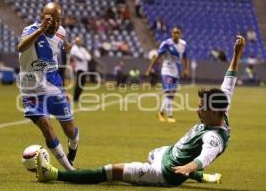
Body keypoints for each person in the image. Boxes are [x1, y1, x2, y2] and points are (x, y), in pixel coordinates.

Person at [34, 36, 246, 187]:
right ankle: (201, 177)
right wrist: (236, 54)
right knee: (151, 153)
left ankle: (53, 174)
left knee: (111, 172)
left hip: (163, 173)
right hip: (165, 152)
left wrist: (191, 168)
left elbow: (205, 156)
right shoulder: (222, 107)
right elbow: (230, 81)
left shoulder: (213, 137)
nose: (197, 110)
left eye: (202, 107)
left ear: (216, 112)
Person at [17, 2, 79, 170]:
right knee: (46, 127)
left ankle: (72, 152)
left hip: (54, 88)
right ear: (42, 17)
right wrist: (41, 29)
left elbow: (63, 47)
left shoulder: (61, 32)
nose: (56, 24)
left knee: (70, 131)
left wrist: (71, 47)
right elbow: (21, 47)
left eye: (59, 20)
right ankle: (69, 170)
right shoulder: (30, 30)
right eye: (52, 20)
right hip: (31, 91)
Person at [146, 27, 189, 123]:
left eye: (178, 33)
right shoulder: (166, 44)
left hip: (176, 72)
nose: (176, 34)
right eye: (174, 32)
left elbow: (185, 58)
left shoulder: (184, 45)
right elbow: (158, 56)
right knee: (169, 92)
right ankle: (169, 116)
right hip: (166, 71)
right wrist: (150, 68)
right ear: (171, 33)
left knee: (171, 95)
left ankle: (160, 113)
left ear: (180, 34)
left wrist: (186, 70)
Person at [70, 37, 92, 103]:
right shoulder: (74, 48)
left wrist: (84, 57)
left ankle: (78, 97)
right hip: (78, 68)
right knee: (78, 84)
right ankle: (75, 98)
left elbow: (89, 57)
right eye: (78, 41)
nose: (79, 42)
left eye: (80, 41)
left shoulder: (83, 49)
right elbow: (81, 57)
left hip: (84, 68)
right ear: (76, 41)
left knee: (82, 84)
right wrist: (84, 57)